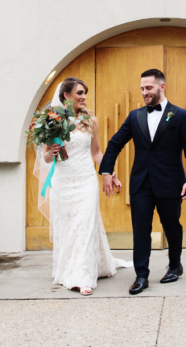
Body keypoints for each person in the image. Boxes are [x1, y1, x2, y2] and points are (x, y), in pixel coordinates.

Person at [99, 69, 186, 295]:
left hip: (170, 183)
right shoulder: (135, 116)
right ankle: (141, 275)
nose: (144, 92)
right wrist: (107, 170)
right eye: (142, 89)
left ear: (162, 87)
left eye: (149, 88)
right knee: (141, 230)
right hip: (141, 184)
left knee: (172, 228)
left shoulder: (181, 115)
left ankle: (175, 265)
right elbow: (115, 143)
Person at [34, 76, 132, 295]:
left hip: (86, 180)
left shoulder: (90, 120)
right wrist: (51, 152)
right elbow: (47, 159)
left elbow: (96, 152)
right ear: (66, 96)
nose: (84, 97)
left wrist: (110, 172)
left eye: (84, 93)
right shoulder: (52, 121)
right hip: (63, 182)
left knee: (85, 225)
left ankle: (83, 277)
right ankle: (70, 270)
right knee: (68, 228)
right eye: (79, 93)